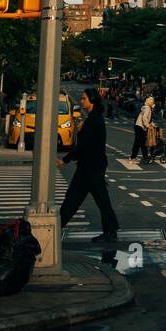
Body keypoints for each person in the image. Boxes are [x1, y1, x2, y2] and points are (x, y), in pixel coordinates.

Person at [58, 88, 120, 244]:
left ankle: (110, 231)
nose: (81, 101)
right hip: (90, 166)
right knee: (77, 199)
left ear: (91, 100)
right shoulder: (93, 118)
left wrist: (65, 160)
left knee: (80, 200)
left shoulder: (94, 120)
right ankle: (111, 230)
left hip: (92, 167)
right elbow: (85, 144)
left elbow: (84, 145)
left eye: (84, 98)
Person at [131, 94, 155, 164]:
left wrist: (152, 124)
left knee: (139, 143)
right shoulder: (147, 108)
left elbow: (148, 119)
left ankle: (136, 157)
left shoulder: (146, 107)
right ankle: (142, 157)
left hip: (138, 126)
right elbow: (145, 118)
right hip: (140, 127)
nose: (153, 103)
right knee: (141, 143)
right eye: (153, 102)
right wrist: (148, 126)